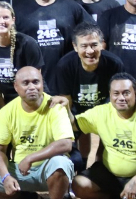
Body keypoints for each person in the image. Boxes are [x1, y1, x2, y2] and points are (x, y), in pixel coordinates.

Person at [0, 66, 75, 199]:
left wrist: (31, 158)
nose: (32, 87)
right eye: (25, 83)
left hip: (48, 169)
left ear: (42, 84)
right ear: (16, 87)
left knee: (61, 163)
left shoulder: (55, 107)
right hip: (21, 170)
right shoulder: (6, 112)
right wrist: (5, 177)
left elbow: (66, 144)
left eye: (36, 82)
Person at [52, 23, 126, 162]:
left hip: (104, 107)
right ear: (75, 47)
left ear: (102, 45)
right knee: (69, 146)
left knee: (111, 131)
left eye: (94, 45)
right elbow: (65, 102)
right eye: (84, 46)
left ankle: (100, 163)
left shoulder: (114, 63)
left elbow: (116, 98)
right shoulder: (64, 65)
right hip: (76, 108)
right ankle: (80, 164)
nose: (90, 51)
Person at [16, 0, 90, 90]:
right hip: (33, 84)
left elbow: (92, 33)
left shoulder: (71, 7)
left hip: (68, 81)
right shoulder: (20, 12)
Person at [0, 1, 43, 113]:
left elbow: (36, 83)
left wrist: (25, 110)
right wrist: (5, 112)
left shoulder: (28, 44)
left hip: (29, 99)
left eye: (6, 17)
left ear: (13, 20)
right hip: (4, 102)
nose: (1, 21)